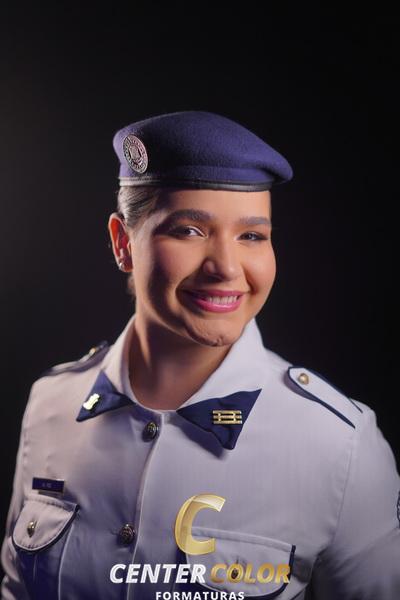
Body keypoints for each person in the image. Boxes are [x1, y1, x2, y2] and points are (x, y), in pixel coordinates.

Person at [1, 110, 399, 600]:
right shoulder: (50, 404)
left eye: (252, 236)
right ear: (123, 243)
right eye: (189, 230)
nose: (226, 268)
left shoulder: (341, 445)